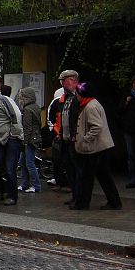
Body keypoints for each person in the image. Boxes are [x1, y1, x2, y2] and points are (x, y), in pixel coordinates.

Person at [74, 81, 122, 210]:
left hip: (96, 148)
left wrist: (85, 139)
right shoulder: (91, 104)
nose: (76, 96)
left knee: (88, 176)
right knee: (103, 175)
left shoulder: (90, 106)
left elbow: (96, 126)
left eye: (77, 93)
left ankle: (83, 203)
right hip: (100, 146)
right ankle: (114, 202)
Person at [54, 69, 82, 207]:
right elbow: (61, 118)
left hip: (74, 140)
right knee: (69, 169)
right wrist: (60, 133)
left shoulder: (79, 97)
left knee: (77, 170)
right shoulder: (64, 99)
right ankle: (75, 196)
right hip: (65, 140)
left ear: (73, 81)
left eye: (64, 80)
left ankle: (79, 197)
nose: (62, 84)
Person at [17, 87, 42, 193]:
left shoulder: (27, 109)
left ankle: (36, 185)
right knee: (23, 162)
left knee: (29, 163)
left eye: (21, 96)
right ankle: (25, 184)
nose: (20, 98)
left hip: (30, 139)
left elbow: (27, 127)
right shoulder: (35, 106)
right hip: (35, 137)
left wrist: (25, 141)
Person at [46, 87, 68, 189]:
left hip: (66, 136)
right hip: (58, 135)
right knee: (57, 160)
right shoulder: (56, 103)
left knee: (66, 160)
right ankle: (60, 182)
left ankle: (67, 183)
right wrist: (56, 132)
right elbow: (50, 119)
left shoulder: (71, 101)